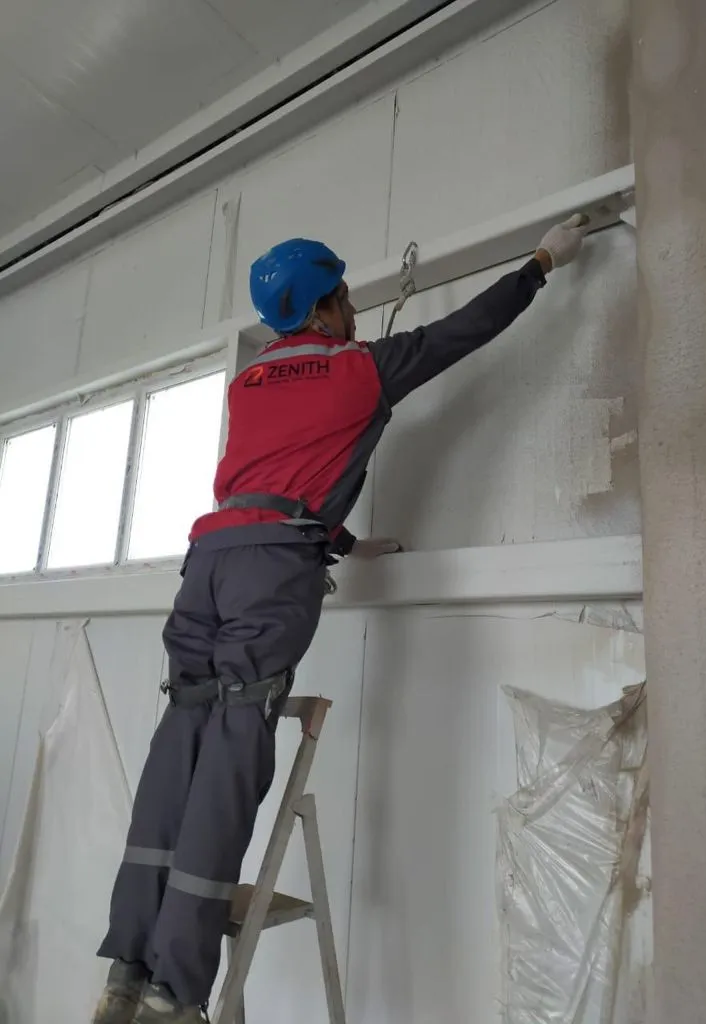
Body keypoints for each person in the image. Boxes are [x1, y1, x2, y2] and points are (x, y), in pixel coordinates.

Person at [91, 214, 588, 1023]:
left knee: (180, 739)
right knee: (232, 757)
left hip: (207, 564)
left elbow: (270, 476)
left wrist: (346, 541)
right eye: (346, 299)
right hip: (268, 575)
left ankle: (127, 968)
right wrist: (541, 262)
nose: (354, 311)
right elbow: (465, 331)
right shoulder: (361, 370)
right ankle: (174, 991)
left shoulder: (249, 382)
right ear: (322, 308)